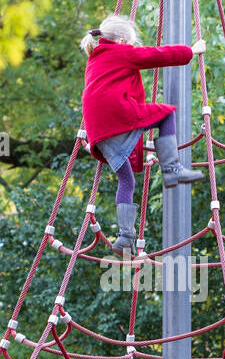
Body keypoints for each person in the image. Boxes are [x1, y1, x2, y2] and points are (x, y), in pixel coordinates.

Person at [80, 15, 206, 255]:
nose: (132, 46)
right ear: (120, 40)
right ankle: (171, 170)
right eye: (130, 42)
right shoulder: (122, 52)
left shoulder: (95, 60)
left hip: (100, 131)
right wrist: (190, 50)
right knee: (166, 114)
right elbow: (155, 55)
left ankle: (125, 237)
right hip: (115, 117)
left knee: (126, 180)